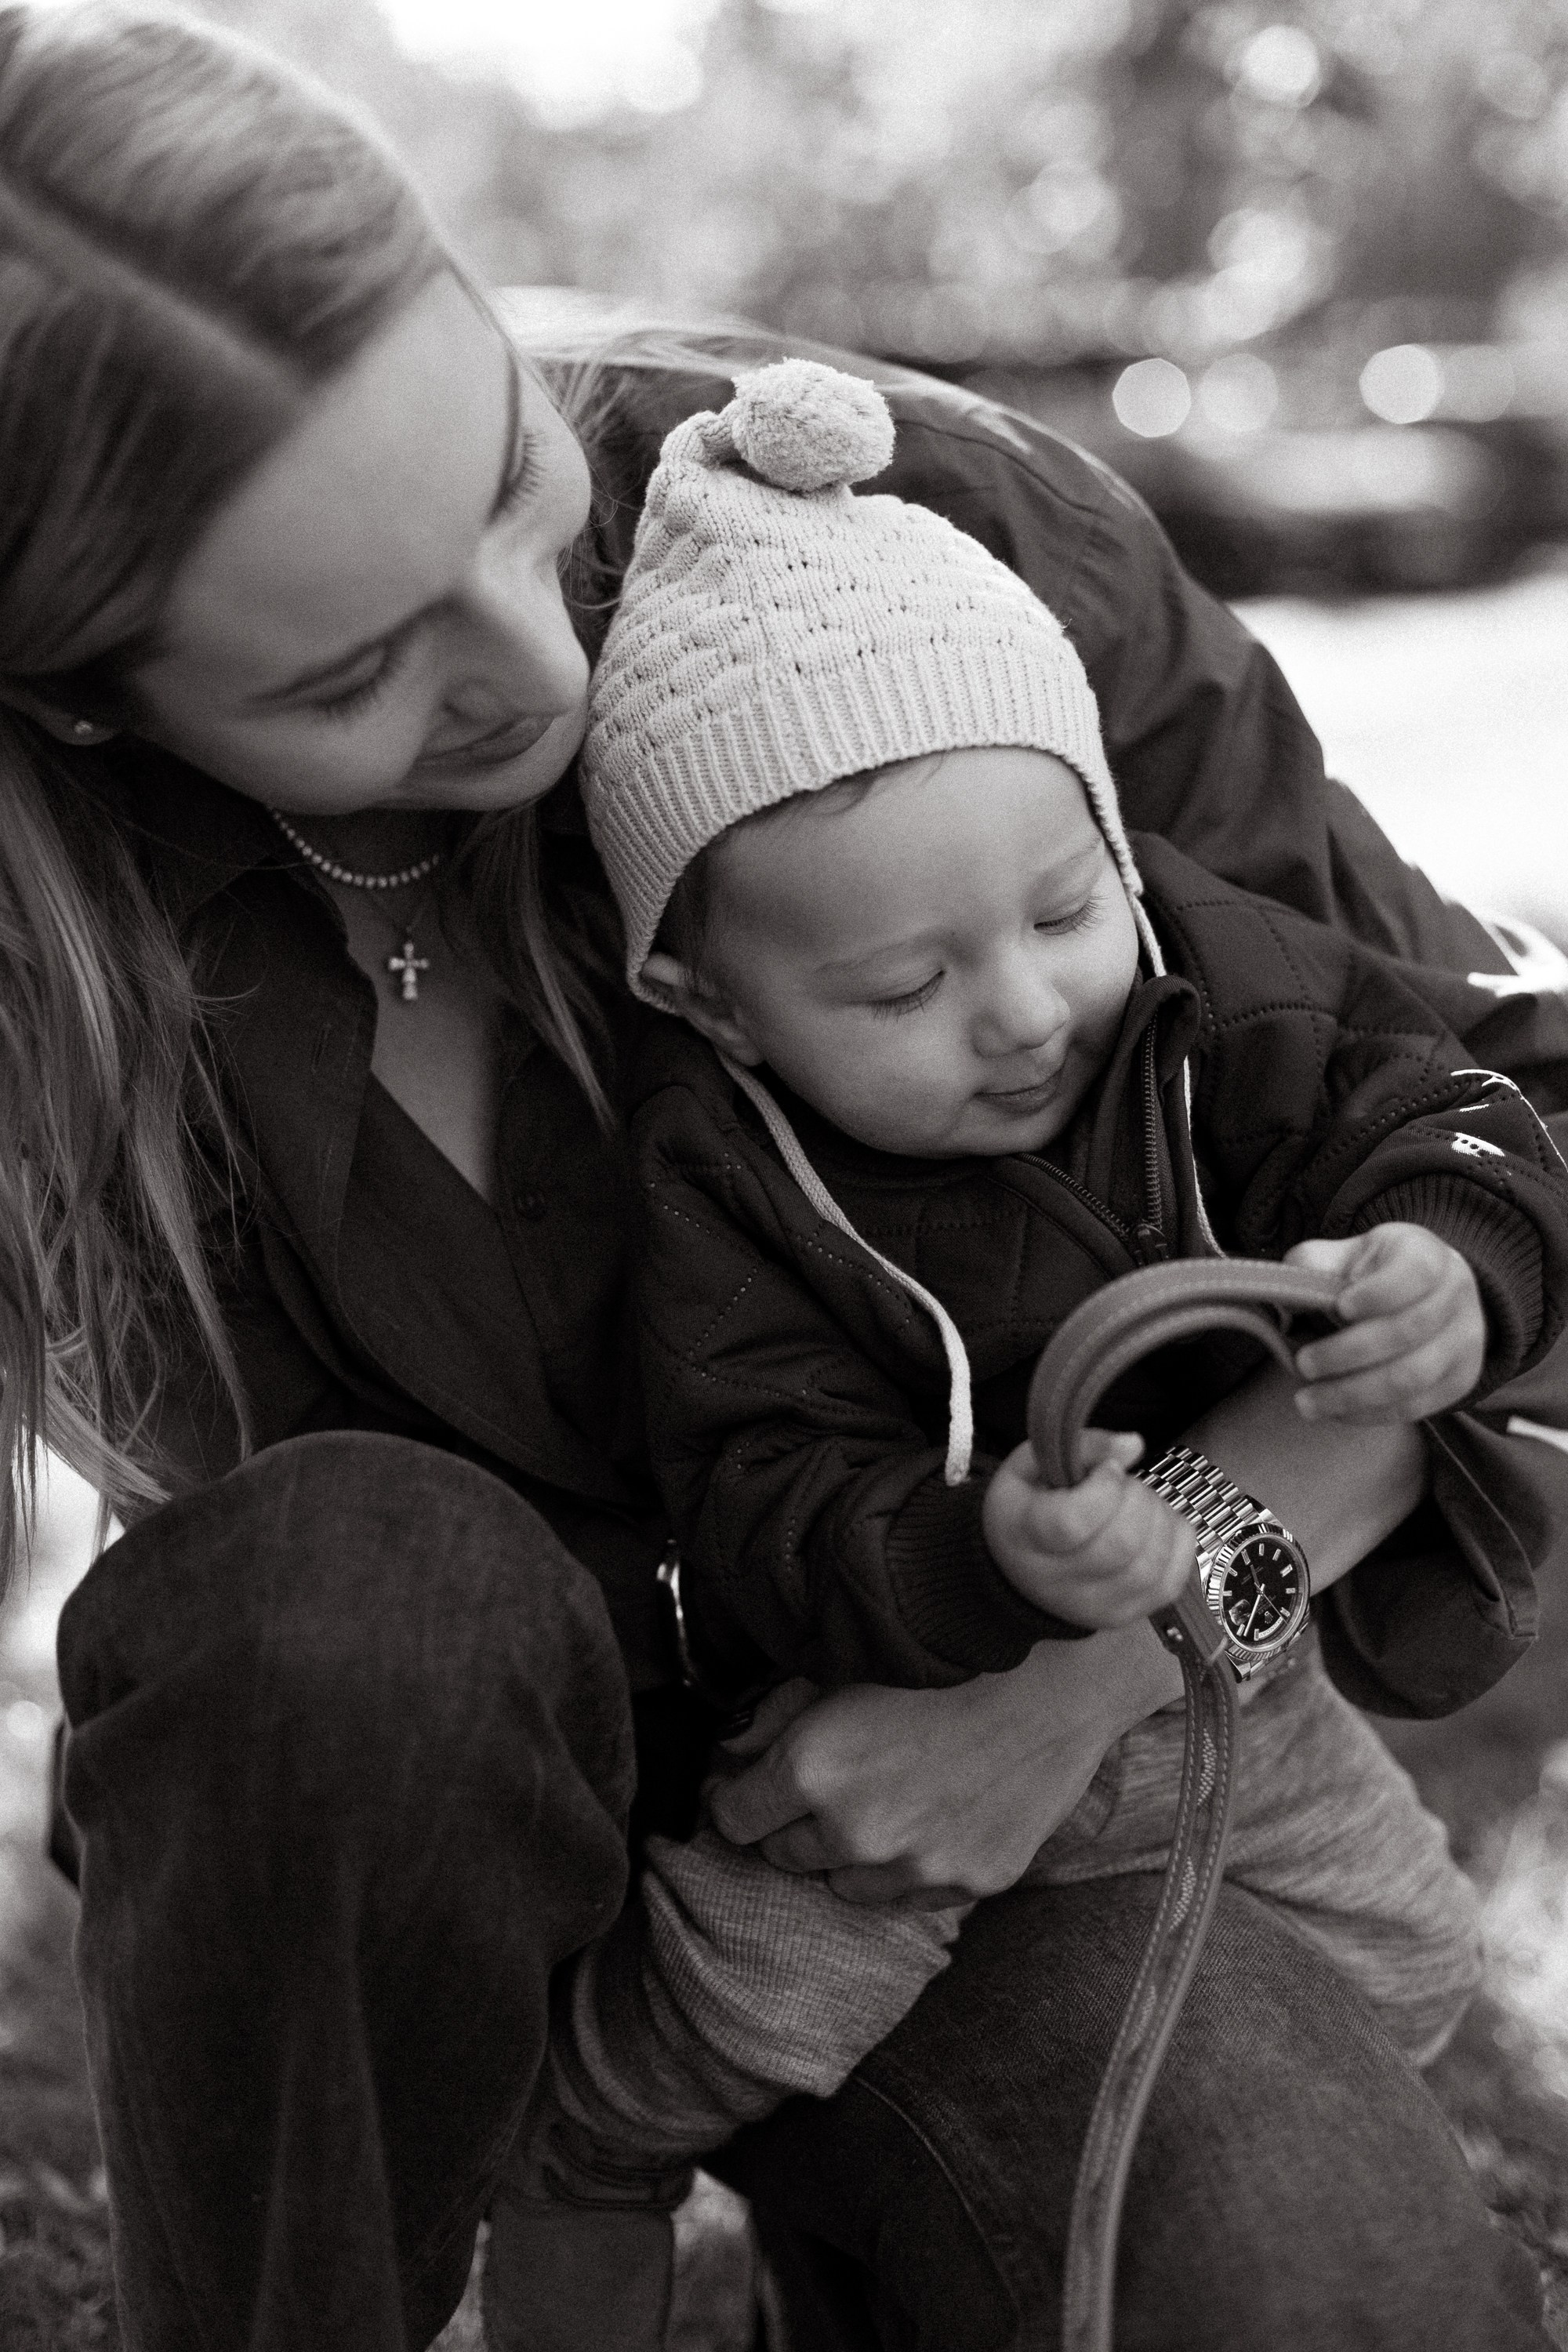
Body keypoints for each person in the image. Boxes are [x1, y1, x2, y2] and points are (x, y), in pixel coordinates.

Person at [0, 8, 1560, 2349]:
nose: (535, 665)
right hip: (410, 1816)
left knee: (1325, 2300)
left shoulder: (919, 555)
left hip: (1006, 1776)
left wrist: (1081, 1681)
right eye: (352, 673)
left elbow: (1489, 1134)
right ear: (87, 699)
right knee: (340, 1607)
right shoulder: (53, 931)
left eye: (507, 477)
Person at [483, 361, 1568, 2339]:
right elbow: (759, 1495)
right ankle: (571, 2166)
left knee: (1414, 1960)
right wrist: (979, 1556)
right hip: (885, 1729)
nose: (1022, 1012)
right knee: (728, 2012)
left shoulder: (1205, 984)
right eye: (901, 984)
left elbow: (1455, 1109)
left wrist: (1449, 1259)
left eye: (1063, 905)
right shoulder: (726, 1187)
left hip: (1224, 1665)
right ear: (710, 1005)